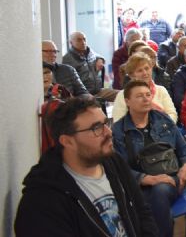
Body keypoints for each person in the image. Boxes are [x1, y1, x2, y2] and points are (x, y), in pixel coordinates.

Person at [15, 96, 158, 236]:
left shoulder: (113, 161)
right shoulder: (41, 202)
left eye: (106, 123)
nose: (109, 133)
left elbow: (142, 211)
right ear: (67, 141)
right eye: (96, 128)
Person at [112, 80, 186, 237]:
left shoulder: (163, 120)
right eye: (139, 96)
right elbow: (119, 167)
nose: (146, 99)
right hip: (139, 183)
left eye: (148, 95)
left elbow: (184, 149)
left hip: (171, 177)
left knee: (159, 192)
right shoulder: (119, 130)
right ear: (127, 101)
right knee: (151, 197)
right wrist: (146, 178)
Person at [112, 52, 178, 123]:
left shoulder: (161, 90)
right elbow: (118, 121)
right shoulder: (122, 95)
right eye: (140, 70)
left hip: (162, 131)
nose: (145, 73)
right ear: (132, 75)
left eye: (147, 68)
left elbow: (173, 115)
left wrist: (159, 127)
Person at [63, 31, 118, 100]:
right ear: (71, 43)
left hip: (98, 90)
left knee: (123, 95)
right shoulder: (67, 59)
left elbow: (98, 55)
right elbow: (68, 83)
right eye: (79, 40)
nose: (83, 42)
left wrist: (100, 60)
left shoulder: (89, 52)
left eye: (84, 39)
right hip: (82, 95)